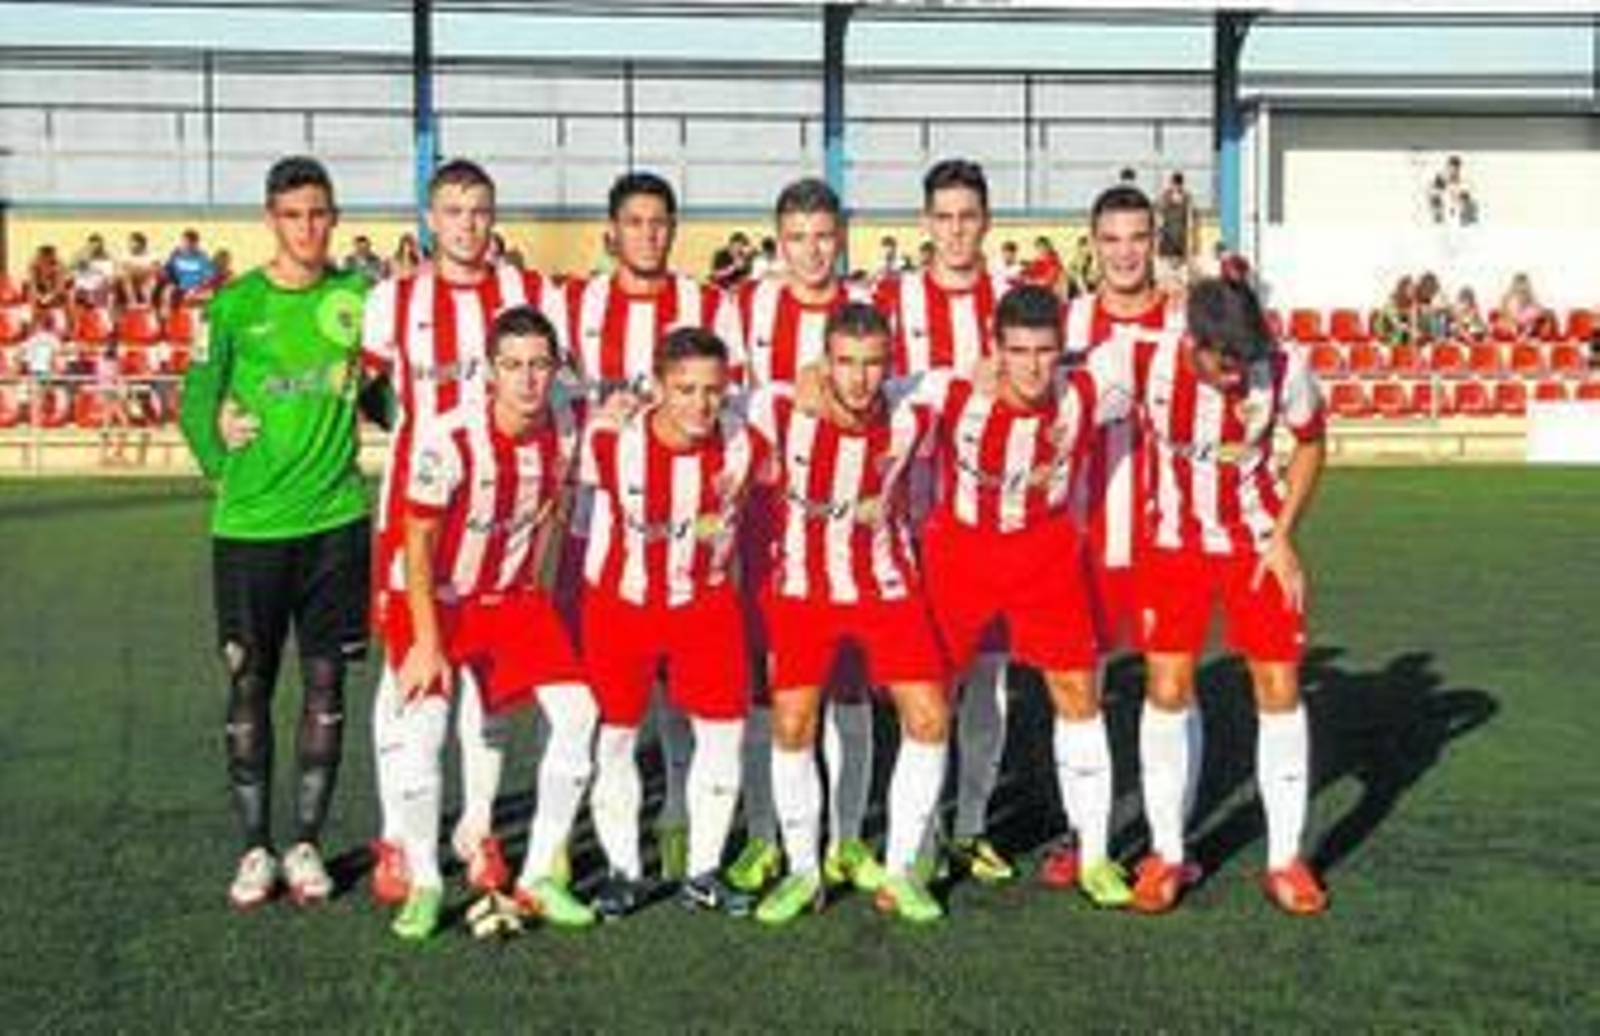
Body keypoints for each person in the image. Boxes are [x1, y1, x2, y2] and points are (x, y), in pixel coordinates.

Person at [362, 158, 569, 909]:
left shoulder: (532, 293)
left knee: (490, 689)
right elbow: (360, 387)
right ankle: (397, 833)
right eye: (452, 211)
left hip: (504, 517)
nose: (467, 225)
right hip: (416, 513)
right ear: (430, 217)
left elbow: (562, 387)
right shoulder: (392, 298)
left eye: (480, 210)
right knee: (410, 680)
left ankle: (476, 827)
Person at [1091, 277, 1330, 916]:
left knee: (1279, 689)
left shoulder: (1283, 368)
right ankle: (1169, 853)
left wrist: (1283, 536)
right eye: (1221, 365)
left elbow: (1311, 443)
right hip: (1172, 546)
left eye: (1243, 364)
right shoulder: (1141, 356)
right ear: (1191, 341)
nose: (1234, 379)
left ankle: (1286, 860)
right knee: (1167, 687)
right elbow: (1062, 377)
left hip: (1256, 545)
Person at [177, 155, 372, 910]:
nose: (308, 228)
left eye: (320, 213)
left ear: (335, 217)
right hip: (251, 528)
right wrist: (224, 458)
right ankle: (254, 849)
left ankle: (306, 845)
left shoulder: (358, 299)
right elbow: (196, 401)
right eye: (293, 215)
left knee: (327, 683)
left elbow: (390, 392)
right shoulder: (230, 307)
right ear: (270, 219)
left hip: (336, 521)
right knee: (250, 680)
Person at [910, 284, 1134, 908]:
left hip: (1045, 553)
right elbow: (872, 394)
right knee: (937, 701)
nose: (1033, 365)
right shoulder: (951, 392)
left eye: (1045, 351)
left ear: (1063, 350)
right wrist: (818, 375)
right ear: (995, 349)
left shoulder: (1087, 391)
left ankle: (1095, 855)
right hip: (962, 553)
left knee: (1077, 694)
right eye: (1018, 350)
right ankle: (925, 848)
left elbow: (1163, 351)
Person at [383, 305, 597, 942]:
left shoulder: (570, 423)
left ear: (556, 370)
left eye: (539, 366)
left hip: (513, 600)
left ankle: (537, 878)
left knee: (579, 715)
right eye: (513, 366)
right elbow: (417, 538)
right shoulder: (446, 439)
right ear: (489, 373)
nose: (528, 380)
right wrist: (426, 641)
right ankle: (423, 881)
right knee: (424, 729)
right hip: (434, 598)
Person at [559, 172, 746, 884]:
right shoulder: (573, 302)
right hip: (589, 524)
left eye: (658, 223)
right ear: (612, 231)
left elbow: (739, 402)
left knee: (687, 688)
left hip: (690, 531)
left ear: (673, 230)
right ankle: (565, 835)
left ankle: (675, 815)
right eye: (633, 223)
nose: (646, 235)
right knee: (595, 698)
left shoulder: (709, 305)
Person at [748, 303, 951, 925]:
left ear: (890, 366)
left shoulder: (915, 409)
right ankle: (805, 871)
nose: (860, 378)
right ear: (823, 363)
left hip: (886, 585)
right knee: (791, 724)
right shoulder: (777, 407)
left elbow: (982, 373)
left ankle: (899, 869)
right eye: (845, 363)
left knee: (929, 716)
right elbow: (694, 410)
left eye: (872, 364)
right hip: (803, 589)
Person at [723, 178, 881, 902]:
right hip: (765, 515)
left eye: (823, 236)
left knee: (849, 683)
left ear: (840, 235)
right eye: (797, 238)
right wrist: (792, 394)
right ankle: (766, 834)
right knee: (768, 685)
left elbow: (901, 394)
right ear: (777, 241)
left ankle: (846, 837)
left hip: (851, 519)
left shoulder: (870, 309)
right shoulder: (746, 306)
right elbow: (720, 398)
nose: (812, 251)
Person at [581, 326, 767, 918]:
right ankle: (623, 870)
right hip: (621, 605)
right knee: (614, 739)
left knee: (723, 734)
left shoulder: (746, 441)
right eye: (684, 389)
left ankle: (705, 871)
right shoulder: (610, 439)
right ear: (657, 387)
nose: (700, 404)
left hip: (706, 605)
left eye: (713, 390)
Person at [874, 157, 1017, 886]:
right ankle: (915, 832)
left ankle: (970, 826)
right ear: (926, 224)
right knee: (925, 686)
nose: (957, 230)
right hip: (910, 527)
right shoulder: (889, 299)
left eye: (969, 216)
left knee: (988, 683)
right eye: (944, 217)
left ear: (986, 222)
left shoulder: (1018, 300)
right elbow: (856, 379)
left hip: (993, 528)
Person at [1049, 183, 1186, 888]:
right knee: (1078, 691)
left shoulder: (1186, 324)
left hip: (1167, 538)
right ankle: (1087, 838)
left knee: (1171, 689)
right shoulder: (1067, 324)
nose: (1125, 252)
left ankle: (1168, 847)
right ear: (1093, 244)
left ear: (1154, 242)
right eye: (1112, 239)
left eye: (1138, 238)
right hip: (1079, 540)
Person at [162, 229, 217, 313]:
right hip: (180, 288)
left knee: (209, 296)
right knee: (167, 293)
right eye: (183, 242)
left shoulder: (202, 257)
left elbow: (209, 275)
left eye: (187, 242)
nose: (184, 244)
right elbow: (167, 270)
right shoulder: (176, 254)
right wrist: (171, 283)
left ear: (195, 243)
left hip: (197, 288)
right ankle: (167, 321)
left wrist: (196, 288)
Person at [1156, 171, 1195, 285]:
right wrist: (1159, 228)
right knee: (1166, 259)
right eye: (1174, 183)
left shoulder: (1187, 197)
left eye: (1178, 184)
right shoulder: (1165, 195)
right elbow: (1160, 212)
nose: (1176, 186)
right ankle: (1167, 281)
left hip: (1180, 231)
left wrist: (1190, 229)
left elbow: (1189, 214)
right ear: (1171, 183)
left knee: (1180, 260)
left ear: (1181, 184)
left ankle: (1177, 282)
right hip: (1167, 231)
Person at [1496, 272, 1554, 339]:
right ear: (1514, 289)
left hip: (1527, 333)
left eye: (1524, 291)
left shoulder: (1532, 305)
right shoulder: (1507, 301)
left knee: (1546, 316)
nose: (1522, 294)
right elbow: (1505, 316)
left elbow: (1537, 316)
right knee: (1503, 324)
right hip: (1510, 332)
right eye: (1519, 291)